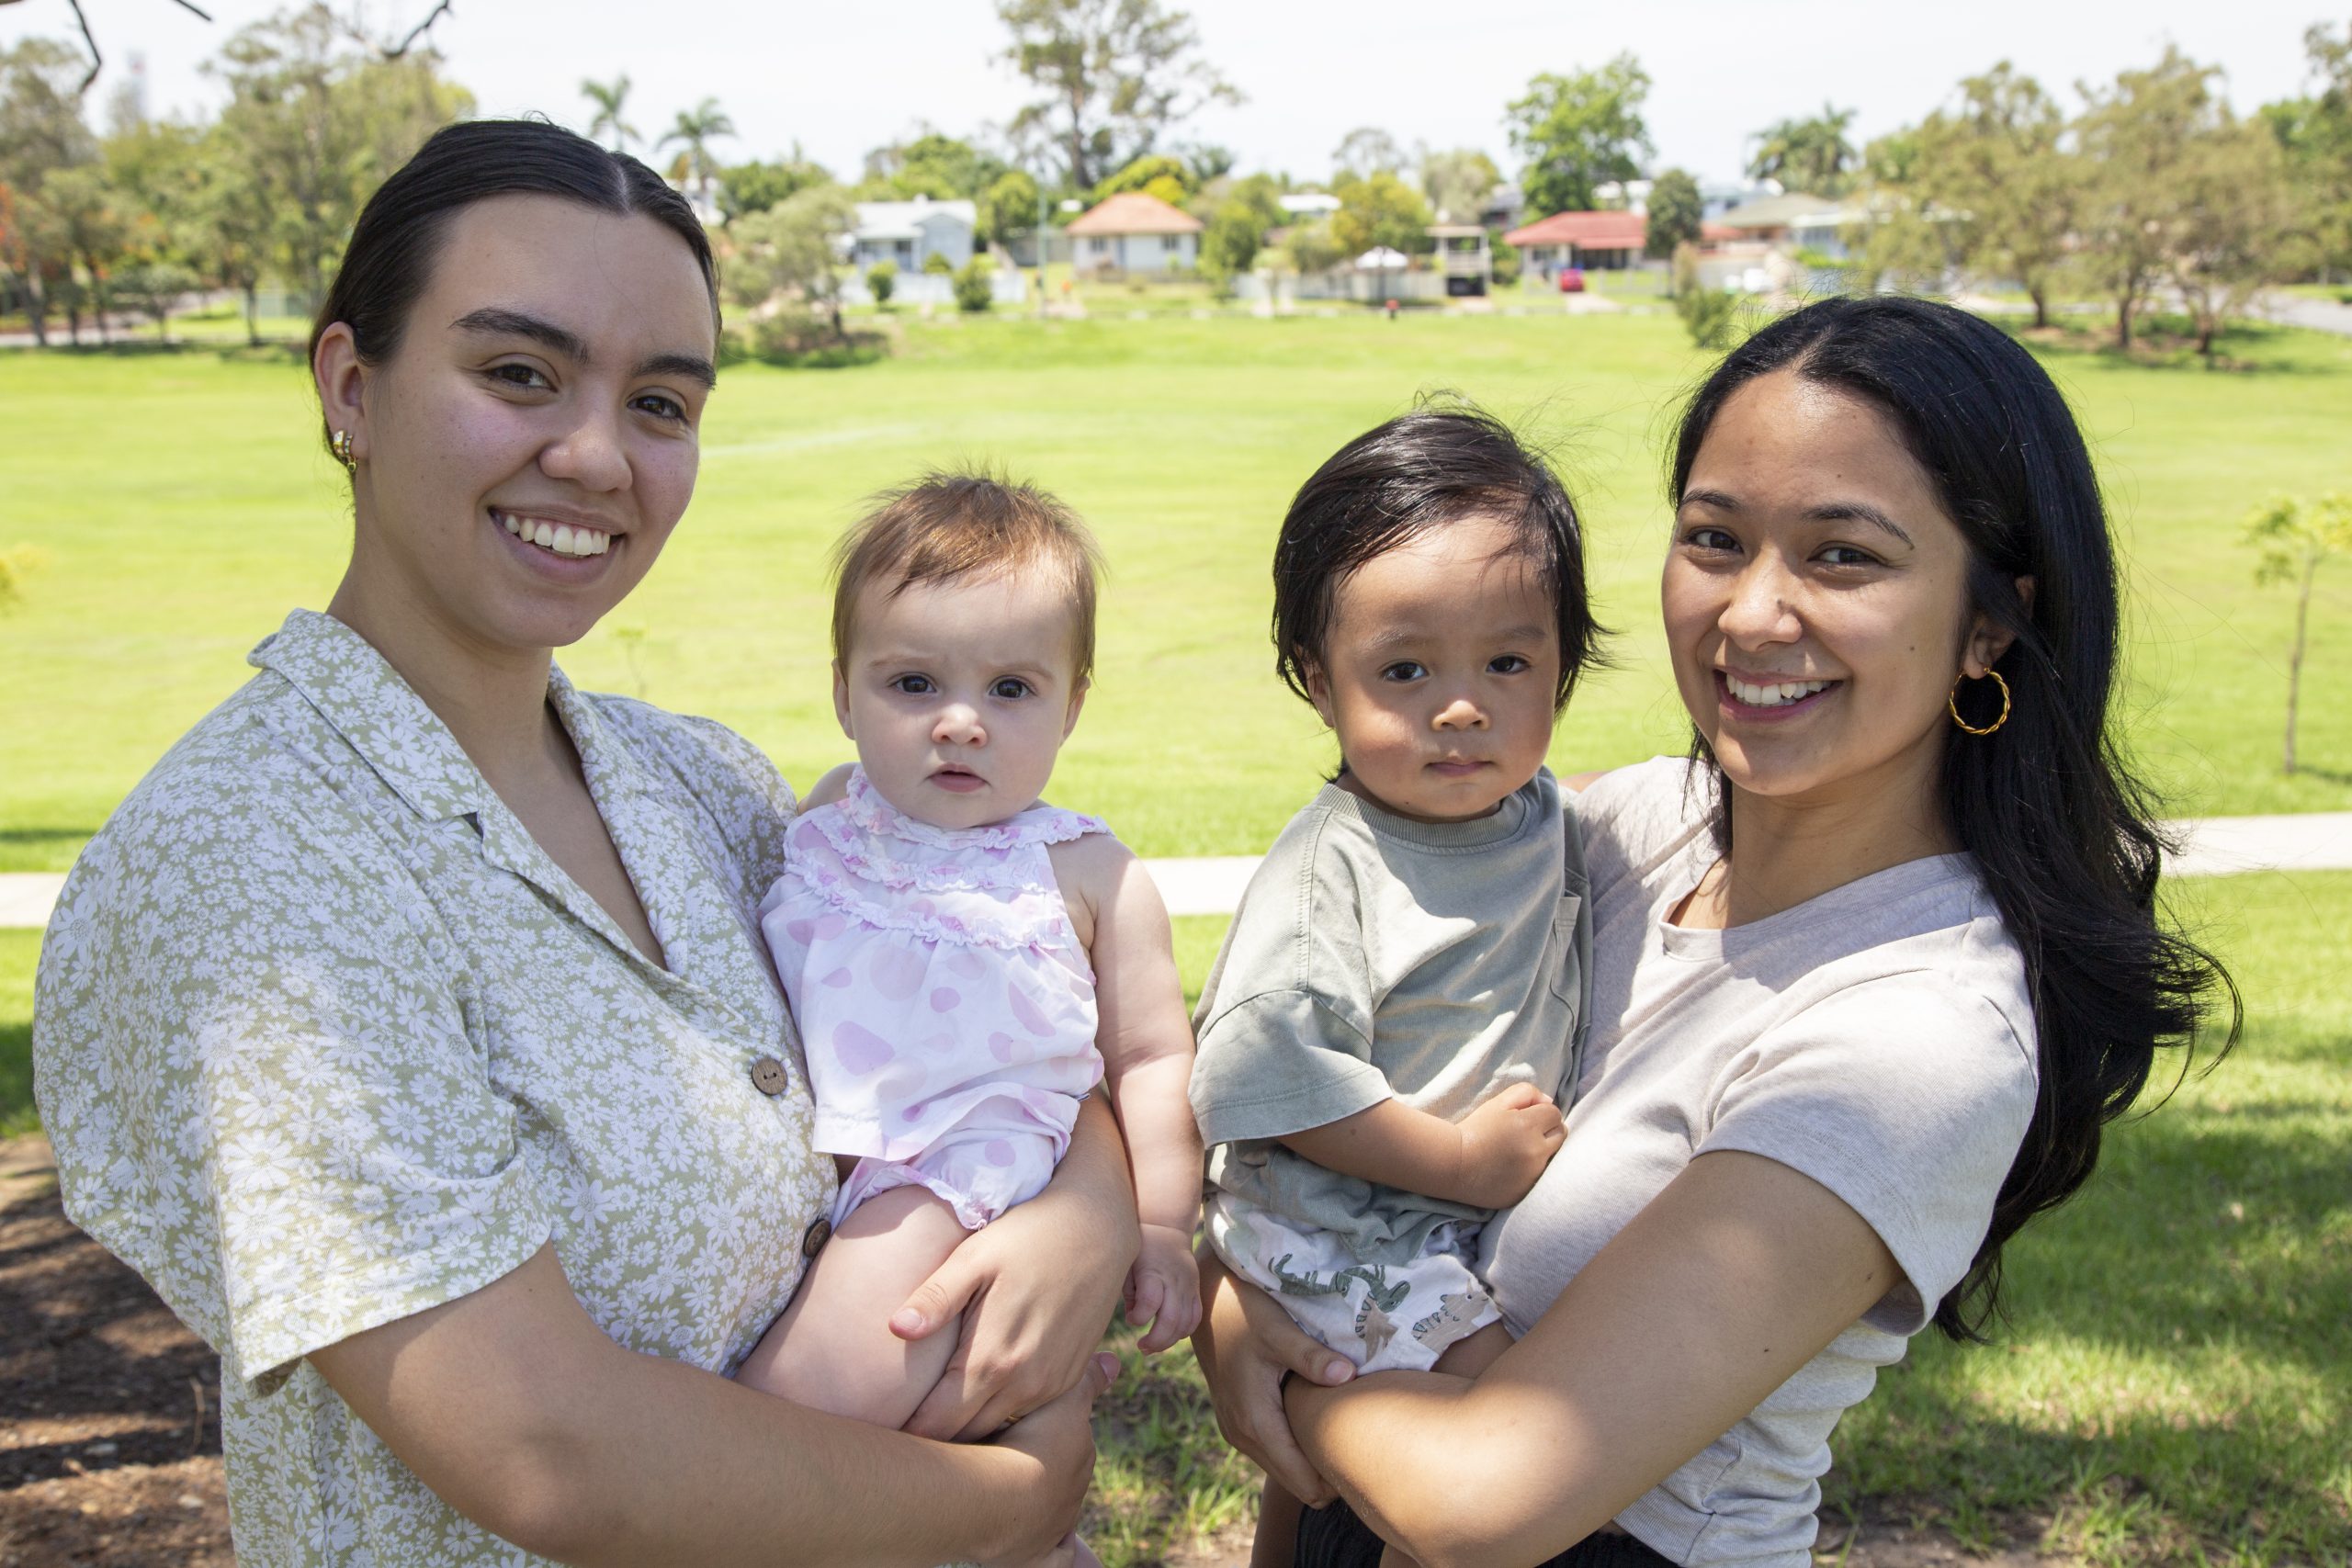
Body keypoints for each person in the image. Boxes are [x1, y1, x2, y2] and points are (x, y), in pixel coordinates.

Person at [32, 119, 1133, 1568]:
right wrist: (1018, 1496)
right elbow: (545, 1450)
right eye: (518, 374)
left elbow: (1014, 1011)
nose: (599, 453)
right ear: (350, 383)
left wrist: (1095, 1210)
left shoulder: (705, 784)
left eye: (662, 401)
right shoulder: (245, 868)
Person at [1190, 295, 2236, 1568]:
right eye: (1715, 537)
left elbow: (1486, 1497)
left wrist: (1270, 1352)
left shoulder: (1914, 1035)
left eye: (1843, 554)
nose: (1751, 613)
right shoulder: (1618, 829)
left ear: (1985, 625)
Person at [1186, 410, 1600, 1565]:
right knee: (1495, 1428)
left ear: (1561, 666)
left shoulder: (1539, 813)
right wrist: (1460, 1164)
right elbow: (1264, 1079)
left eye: (1506, 664)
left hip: (1414, 1226)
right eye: (1404, 670)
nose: (1460, 708)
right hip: (1333, 1222)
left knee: (1323, 1493)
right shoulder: (1336, 870)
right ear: (1320, 682)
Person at [737, 475, 1201, 1441]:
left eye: (1009, 689)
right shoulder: (830, 813)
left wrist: (1158, 1226)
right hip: (817, 1149)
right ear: (842, 691)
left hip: (956, 1168)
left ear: (1069, 707)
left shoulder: (1086, 874)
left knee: (810, 1400)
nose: (959, 721)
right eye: (913, 684)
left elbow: (1152, 1058)